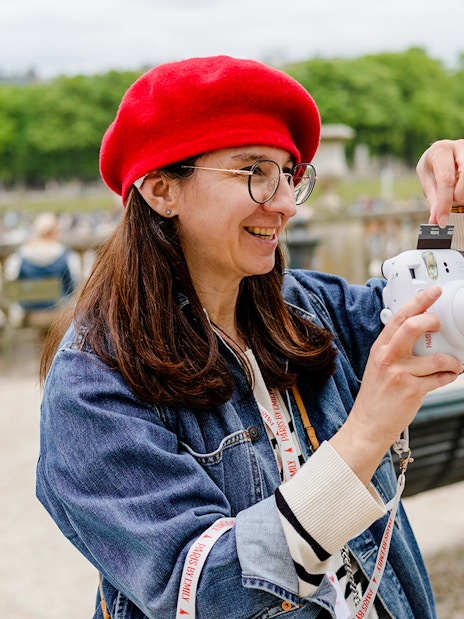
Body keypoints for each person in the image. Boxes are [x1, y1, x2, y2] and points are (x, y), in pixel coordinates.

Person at [36, 56, 462, 619]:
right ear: (162, 190)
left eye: (289, 175)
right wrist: (364, 437)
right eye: (255, 172)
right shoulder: (92, 386)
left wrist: (452, 210)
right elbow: (203, 591)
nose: (284, 203)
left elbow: (442, 325)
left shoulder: (308, 311)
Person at [4, 211, 80, 311]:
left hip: (28, 310)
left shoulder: (20, 255)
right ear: (52, 232)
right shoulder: (65, 255)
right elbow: (73, 286)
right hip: (57, 311)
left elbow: (10, 285)